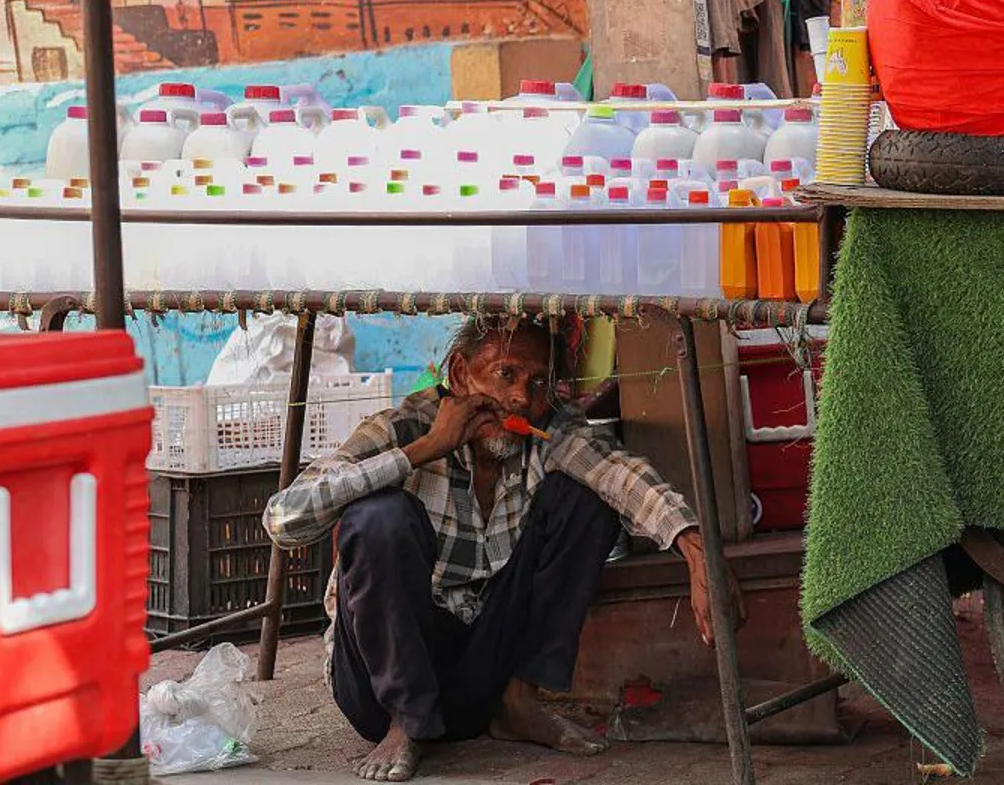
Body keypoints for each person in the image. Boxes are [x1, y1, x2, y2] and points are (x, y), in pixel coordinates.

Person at [262, 317, 745, 782]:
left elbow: (617, 471)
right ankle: (405, 721)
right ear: (459, 374)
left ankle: (519, 700)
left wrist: (696, 549)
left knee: (587, 497)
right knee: (377, 517)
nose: (520, 397)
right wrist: (423, 450)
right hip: (376, 682)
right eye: (505, 375)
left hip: (480, 674)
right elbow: (284, 518)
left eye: (537, 383)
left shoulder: (547, 431)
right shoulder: (404, 426)